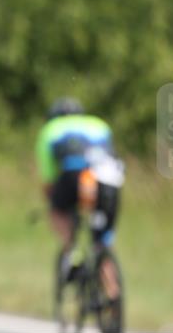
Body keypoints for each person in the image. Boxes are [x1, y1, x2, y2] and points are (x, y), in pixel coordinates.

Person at [35, 97, 123, 300]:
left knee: (57, 210)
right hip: (109, 177)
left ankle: (72, 253)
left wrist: (55, 204)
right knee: (101, 241)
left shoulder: (50, 130)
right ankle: (112, 296)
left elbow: (48, 181)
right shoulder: (99, 124)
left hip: (75, 175)